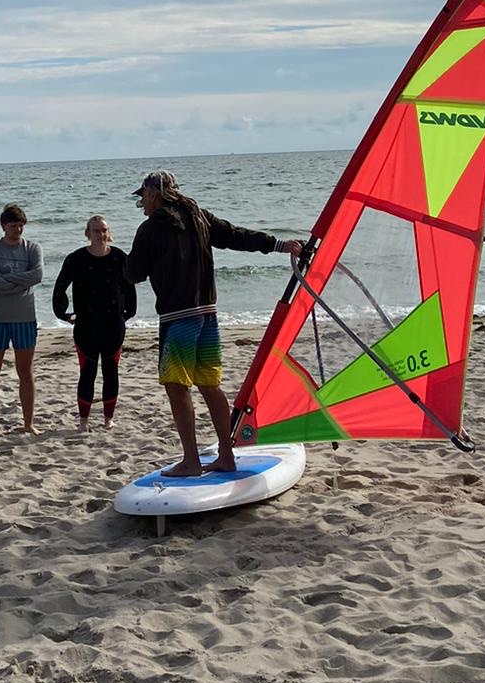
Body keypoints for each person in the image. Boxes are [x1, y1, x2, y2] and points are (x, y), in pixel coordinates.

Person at [125, 171, 303, 476]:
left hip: (178, 318)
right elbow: (236, 236)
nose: (141, 202)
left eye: (143, 196)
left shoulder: (151, 228)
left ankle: (191, 461)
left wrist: (121, 262)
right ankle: (226, 455)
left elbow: (134, 274)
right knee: (210, 385)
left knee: (176, 387)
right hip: (208, 315)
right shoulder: (199, 217)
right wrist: (279, 244)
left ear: (155, 194)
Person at [52, 214, 136, 430]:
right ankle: (83, 421)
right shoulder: (76, 258)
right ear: (87, 233)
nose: (101, 234)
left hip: (113, 326)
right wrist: (64, 314)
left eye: (104, 230)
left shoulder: (119, 257)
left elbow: (129, 289)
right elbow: (60, 287)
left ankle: (108, 420)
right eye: (96, 230)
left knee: (111, 371)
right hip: (86, 326)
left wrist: (126, 314)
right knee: (87, 372)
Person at [0, 204, 43, 435]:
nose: (18, 229)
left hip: (24, 316)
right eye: (13, 225)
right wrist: (19, 281)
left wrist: (7, 279)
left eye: (20, 225)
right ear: (4, 226)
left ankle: (28, 423)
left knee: (25, 371)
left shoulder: (33, 249)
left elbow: (37, 275)